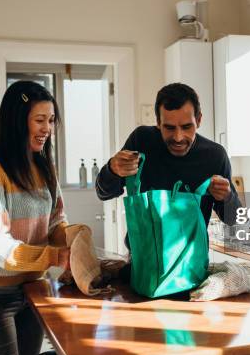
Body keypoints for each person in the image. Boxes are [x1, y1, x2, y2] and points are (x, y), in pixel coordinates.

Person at [0, 81, 73, 355]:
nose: (47, 128)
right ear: (18, 122)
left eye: (51, 120)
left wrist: (76, 241)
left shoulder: (44, 167)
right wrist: (55, 257)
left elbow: (56, 222)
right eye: (39, 120)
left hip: (33, 289)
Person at [96, 83, 241, 245]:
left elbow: (233, 220)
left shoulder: (215, 156)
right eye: (169, 128)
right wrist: (112, 169)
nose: (178, 137)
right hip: (142, 261)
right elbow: (104, 193)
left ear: (199, 120)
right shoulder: (141, 140)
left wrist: (227, 196)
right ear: (158, 122)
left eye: (186, 127)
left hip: (192, 263)